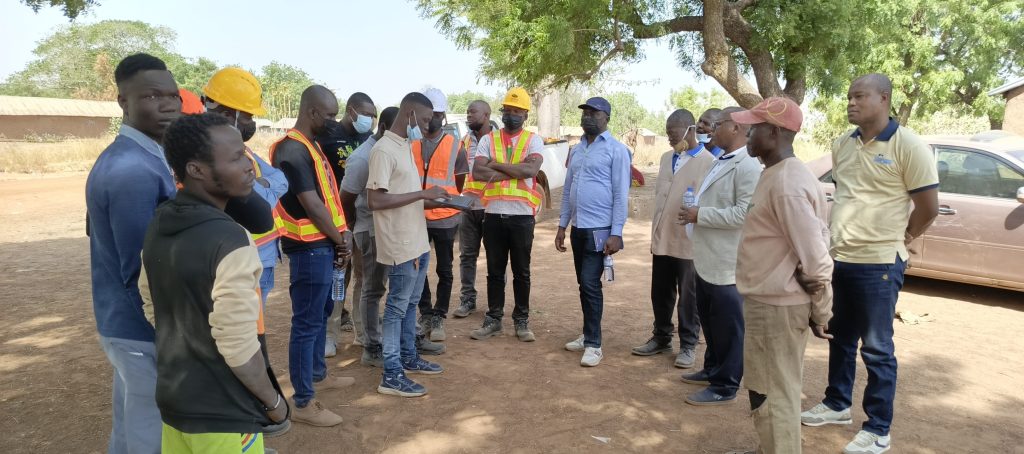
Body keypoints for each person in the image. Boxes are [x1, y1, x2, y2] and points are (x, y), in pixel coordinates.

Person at [801, 74, 939, 454]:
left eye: (860, 96)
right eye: (849, 96)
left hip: (879, 263)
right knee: (840, 337)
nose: (851, 102)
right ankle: (836, 404)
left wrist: (904, 237)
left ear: (884, 98)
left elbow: (928, 208)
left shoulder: (908, 145)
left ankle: (878, 428)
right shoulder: (842, 144)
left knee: (877, 349)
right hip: (840, 259)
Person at [139, 113, 288, 454]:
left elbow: (150, 302)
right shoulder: (230, 239)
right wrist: (274, 403)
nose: (249, 167)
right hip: (226, 413)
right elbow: (238, 344)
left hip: (176, 403)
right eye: (235, 158)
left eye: (245, 155)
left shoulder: (160, 222)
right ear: (196, 170)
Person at [85, 53, 181, 454]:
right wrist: (171, 331)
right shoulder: (132, 170)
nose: (168, 106)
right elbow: (142, 268)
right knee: (151, 433)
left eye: (173, 96)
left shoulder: (145, 157)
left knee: (130, 426)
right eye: (152, 96)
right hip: (141, 325)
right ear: (123, 101)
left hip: (125, 322)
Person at [730, 97, 834, 454]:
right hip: (769, 303)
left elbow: (816, 257)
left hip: (777, 307)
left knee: (774, 395)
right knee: (767, 390)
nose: (747, 134)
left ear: (774, 133)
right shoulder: (778, 174)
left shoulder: (787, 183)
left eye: (754, 128)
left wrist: (822, 310)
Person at [202, 66, 290, 438]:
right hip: (235, 261)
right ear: (228, 112)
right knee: (238, 345)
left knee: (251, 340)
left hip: (259, 258)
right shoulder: (205, 149)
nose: (252, 123)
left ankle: (247, 429)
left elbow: (279, 179)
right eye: (249, 115)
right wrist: (262, 188)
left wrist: (260, 186)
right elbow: (258, 202)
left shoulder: (238, 148)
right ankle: (243, 427)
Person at [269, 85, 354, 427]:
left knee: (321, 313)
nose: (334, 121)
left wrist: (341, 235)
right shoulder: (291, 149)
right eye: (330, 115)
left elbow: (328, 199)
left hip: (324, 244)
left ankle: (318, 374)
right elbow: (312, 204)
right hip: (308, 248)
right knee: (306, 323)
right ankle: (303, 400)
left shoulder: (311, 146)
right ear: (312, 112)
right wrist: (341, 240)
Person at [367, 92, 450, 397]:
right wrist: (422, 195)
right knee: (396, 309)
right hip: (400, 244)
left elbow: (405, 196)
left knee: (411, 304)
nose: (428, 126)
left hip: (417, 241)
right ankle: (391, 374)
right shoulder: (383, 150)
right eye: (425, 120)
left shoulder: (404, 146)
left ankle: (408, 356)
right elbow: (375, 200)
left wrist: (436, 201)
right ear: (410, 115)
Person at [677, 106, 761, 406]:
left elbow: (743, 215)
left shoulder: (748, 165)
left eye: (720, 124)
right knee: (712, 322)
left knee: (728, 327)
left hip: (728, 264)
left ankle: (725, 385)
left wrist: (700, 214)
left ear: (736, 127)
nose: (712, 129)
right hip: (707, 259)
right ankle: (712, 369)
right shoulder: (721, 160)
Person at [631, 108, 714, 369]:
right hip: (662, 236)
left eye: (673, 132)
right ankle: (661, 337)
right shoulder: (667, 157)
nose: (669, 137)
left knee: (688, 297)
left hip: (688, 241)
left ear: (690, 130)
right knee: (660, 292)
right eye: (667, 132)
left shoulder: (708, 161)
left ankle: (688, 344)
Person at [555, 97, 631, 367]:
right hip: (578, 228)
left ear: (606, 118)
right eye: (585, 112)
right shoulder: (576, 150)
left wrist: (616, 232)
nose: (587, 116)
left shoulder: (616, 150)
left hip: (600, 230)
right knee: (584, 284)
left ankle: (594, 345)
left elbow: (621, 194)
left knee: (590, 283)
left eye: (594, 113)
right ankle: (588, 333)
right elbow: (568, 189)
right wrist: (562, 225)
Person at [469, 87, 545, 343]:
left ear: (525, 115)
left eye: (516, 111)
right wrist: (516, 169)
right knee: (494, 271)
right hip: (493, 215)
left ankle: (521, 321)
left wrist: (496, 165)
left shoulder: (533, 140)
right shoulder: (488, 140)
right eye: (507, 110)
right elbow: (478, 173)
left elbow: (531, 170)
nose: (511, 115)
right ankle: (494, 319)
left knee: (522, 272)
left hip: (522, 217)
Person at [340, 106, 399, 368]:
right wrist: (354, 227)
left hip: (386, 229)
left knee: (377, 287)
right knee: (370, 288)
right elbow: (346, 199)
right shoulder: (363, 158)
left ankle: (372, 337)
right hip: (369, 230)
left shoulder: (387, 151)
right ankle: (370, 344)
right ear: (384, 128)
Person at [322, 92, 378, 356]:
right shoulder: (327, 136)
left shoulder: (368, 139)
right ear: (351, 110)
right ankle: (330, 335)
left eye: (374, 116)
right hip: (335, 217)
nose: (370, 120)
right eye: (366, 114)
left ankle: (362, 331)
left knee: (363, 277)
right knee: (338, 276)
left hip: (361, 218)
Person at [415, 88, 470, 343]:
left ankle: (439, 315)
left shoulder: (455, 146)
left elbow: (459, 183)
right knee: (418, 268)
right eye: (428, 115)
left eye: (436, 115)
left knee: (444, 269)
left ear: (443, 116)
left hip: (446, 218)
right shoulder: (411, 143)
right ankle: (425, 312)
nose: (431, 119)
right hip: (417, 215)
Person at [452, 100, 493, 319]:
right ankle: (467, 299)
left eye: (473, 112)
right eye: (467, 112)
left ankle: (495, 303)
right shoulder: (465, 141)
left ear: (486, 115)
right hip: (468, 206)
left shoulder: (497, 140)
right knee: (467, 255)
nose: (468, 115)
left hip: (491, 206)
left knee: (495, 257)